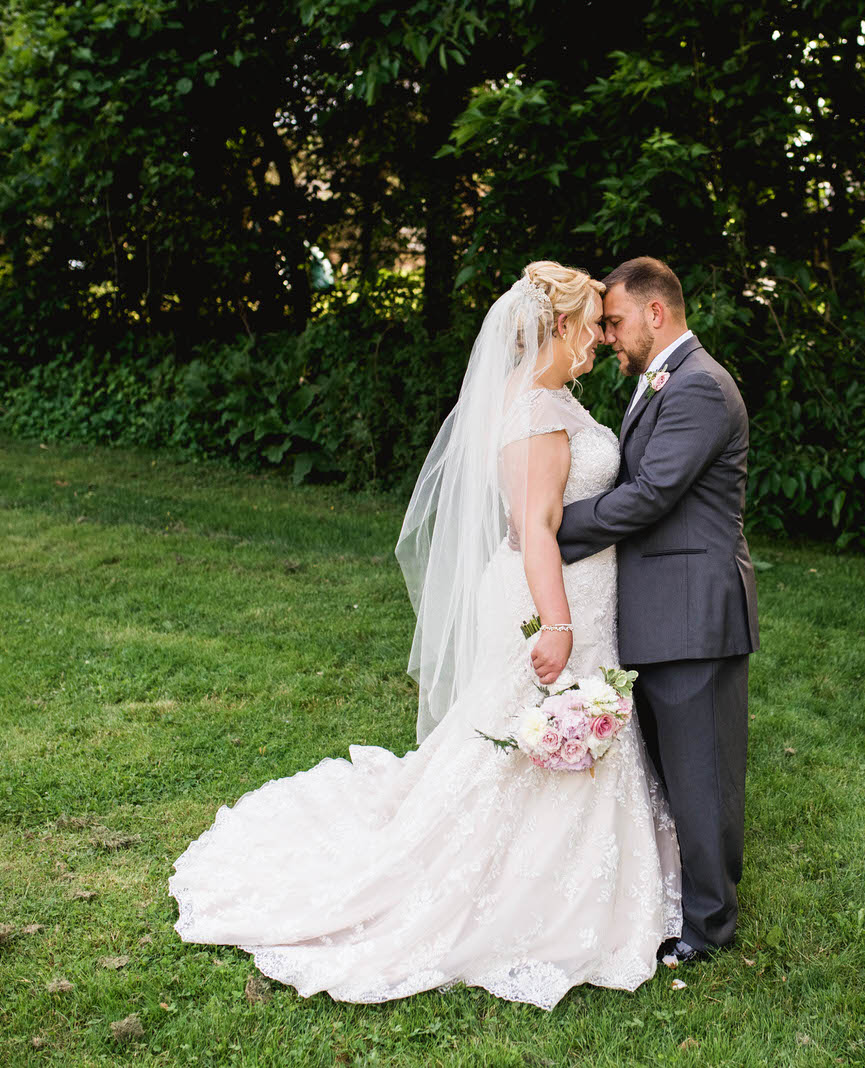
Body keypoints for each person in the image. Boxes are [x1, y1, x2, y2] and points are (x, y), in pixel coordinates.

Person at [168, 263, 681, 1010]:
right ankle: (523, 888)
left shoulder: (546, 398)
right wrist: (560, 625)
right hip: (555, 600)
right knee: (530, 731)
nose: (602, 339)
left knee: (528, 732)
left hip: (577, 595)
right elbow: (534, 529)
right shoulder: (539, 411)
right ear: (561, 327)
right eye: (593, 325)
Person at [557, 257, 759, 964]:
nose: (607, 335)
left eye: (613, 321)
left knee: (700, 775)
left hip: (692, 614)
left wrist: (554, 528)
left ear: (655, 312)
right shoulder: (664, 381)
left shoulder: (699, 386)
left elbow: (651, 495)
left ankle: (709, 929)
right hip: (664, 610)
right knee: (678, 771)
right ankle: (691, 900)